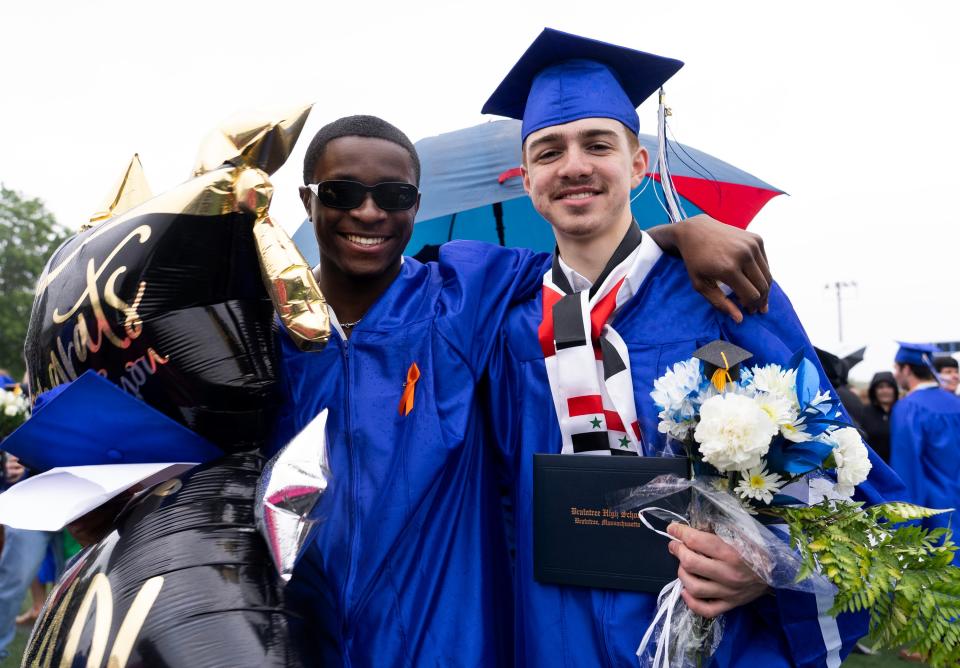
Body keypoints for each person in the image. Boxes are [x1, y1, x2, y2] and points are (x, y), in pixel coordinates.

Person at [273, 113, 778, 665]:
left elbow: (591, 257)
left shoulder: (461, 295)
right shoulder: (261, 337)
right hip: (297, 631)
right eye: (343, 192)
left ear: (416, 204)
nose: (368, 212)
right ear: (307, 198)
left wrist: (684, 231)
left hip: (442, 638)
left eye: (393, 194)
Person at [481, 28, 904, 666]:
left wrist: (770, 567)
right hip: (556, 633)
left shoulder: (725, 293)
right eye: (548, 151)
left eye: (598, 144)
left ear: (640, 164)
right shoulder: (510, 320)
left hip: (716, 633)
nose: (574, 165)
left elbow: (832, 469)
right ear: (526, 177)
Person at [890, 343, 960, 550]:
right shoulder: (956, 403)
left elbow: (908, 470)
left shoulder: (909, 407)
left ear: (907, 369)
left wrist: (904, 525)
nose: (895, 375)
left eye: (896, 368)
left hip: (934, 513)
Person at [860, 371, 898, 463]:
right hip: (874, 467)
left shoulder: (902, 411)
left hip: (898, 467)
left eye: (889, 386)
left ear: (894, 390)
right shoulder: (865, 412)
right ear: (874, 391)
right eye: (880, 387)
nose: (885, 390)